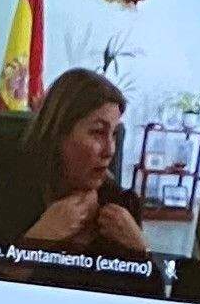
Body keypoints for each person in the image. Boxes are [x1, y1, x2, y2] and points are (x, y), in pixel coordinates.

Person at [12, 67, 148, 264]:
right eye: (98, 132)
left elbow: (153, 283)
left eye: (114, 134)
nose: (110, 150)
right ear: (58, 134)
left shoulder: (123, 205)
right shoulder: (12, 195)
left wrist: (141, 250)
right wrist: (40, 237)